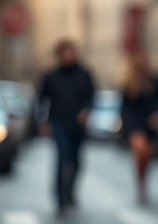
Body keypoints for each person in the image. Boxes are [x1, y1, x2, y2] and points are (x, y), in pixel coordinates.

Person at [37, 38, 96, 216]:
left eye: (71, 52)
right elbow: (41, 100)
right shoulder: (51, 76)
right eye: (65, 53)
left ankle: (70, 191)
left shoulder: (84, 74)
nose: (68, 56)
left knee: (76, 162)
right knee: (62, 159)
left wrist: (86, 111)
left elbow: (92, 97)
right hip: (59, 122)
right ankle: (60, 200)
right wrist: (42, 121)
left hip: (78, 125)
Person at [119, 50, 158, 205]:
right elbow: (124, 106)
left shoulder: (155, 80)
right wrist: (123, 124)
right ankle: (140, 182)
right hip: (135, 121)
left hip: (150, 121)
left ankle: (143, 180)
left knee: (147, 157)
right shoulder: (128, 82)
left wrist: (157, 114)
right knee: (140, 150)